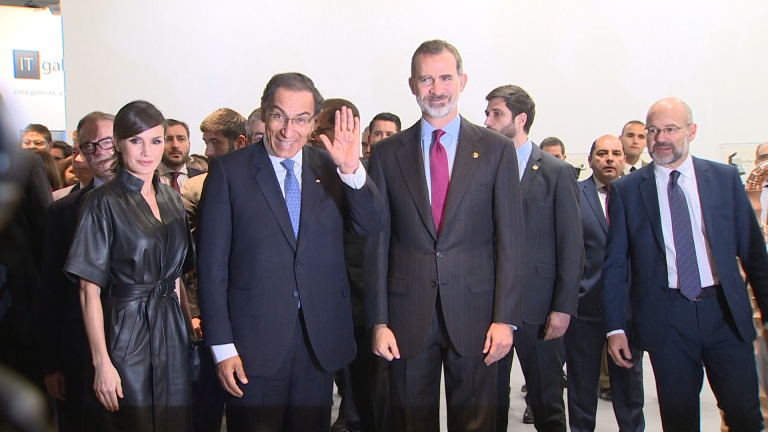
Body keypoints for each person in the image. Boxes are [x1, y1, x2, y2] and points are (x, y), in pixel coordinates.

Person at [196, 72, 384, 432]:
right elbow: (211, 269)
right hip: (252, 346)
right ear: (264, 112)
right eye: (279, 116)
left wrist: (351, 170)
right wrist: (221, 346)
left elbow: (369, 224)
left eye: (300, 119)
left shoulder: (332, 167)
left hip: (318, 344)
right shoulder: (228, 172)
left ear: (313, 123)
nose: (288, 130)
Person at [366, 39, 525, 432]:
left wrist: (505, 319)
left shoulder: (496, 150)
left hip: (478, 317)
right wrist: (379, 321)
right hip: (405, 318)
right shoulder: (386, 154)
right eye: (426, 79)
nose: (436, 89)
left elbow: (511, 242)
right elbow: (377, 244)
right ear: (412, 85)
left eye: (445, 78)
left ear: (462, 81)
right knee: (408, 422)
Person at [602, 97, 768, 431]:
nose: (660, 138)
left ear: (691, 131)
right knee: (679, 420)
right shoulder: (627, 190)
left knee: (745, 415)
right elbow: (615, 265)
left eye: (670, 129)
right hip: (667, 319)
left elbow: (753, 253)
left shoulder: (723, 178)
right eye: (653, 130)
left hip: (724, 312)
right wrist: (615, 327)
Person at [64, 100, 195, 431]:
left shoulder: (171, 198)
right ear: (119, 144)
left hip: (172, 331)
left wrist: (187, 331)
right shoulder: (101, 201)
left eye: (155, 140)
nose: (148, 152)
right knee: (131, 422)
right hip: (125, 331)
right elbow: (87, 290)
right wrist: (101, 363)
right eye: (136, 140)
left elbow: (176, 277)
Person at [484, 84, 582, 432]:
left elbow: (571, 245)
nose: (487, 121)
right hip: (489, 308)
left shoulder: (556, 172)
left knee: (547, 403)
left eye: (496, 113)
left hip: (539, 311)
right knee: (489, 405)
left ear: (520, 119)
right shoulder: (481, 168)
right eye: (487, 113)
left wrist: (563, 307)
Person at [39, 111, 117, 432]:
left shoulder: (158, 201)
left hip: (143, 349)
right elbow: (51, 292)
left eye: (107, 142)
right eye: (89, 146)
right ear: (80, 153)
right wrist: (51, 364)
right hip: (80, 352)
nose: (99, 152)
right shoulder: (64, 212)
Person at [564, 135, 645, 432]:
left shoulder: (639, 195)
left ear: (625, 159)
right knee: (581, 391)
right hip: (585, 310)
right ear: (590, 160)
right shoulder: (574, 193)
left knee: (629, 391)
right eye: (601, 153)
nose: (609, 158)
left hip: (627, 312)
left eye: (615, 153)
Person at [157, 119, 203, 193]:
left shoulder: (203, 179)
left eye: (181, 139)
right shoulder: (145, 179)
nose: (175, 145)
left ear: (189, 144)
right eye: (168, 139)